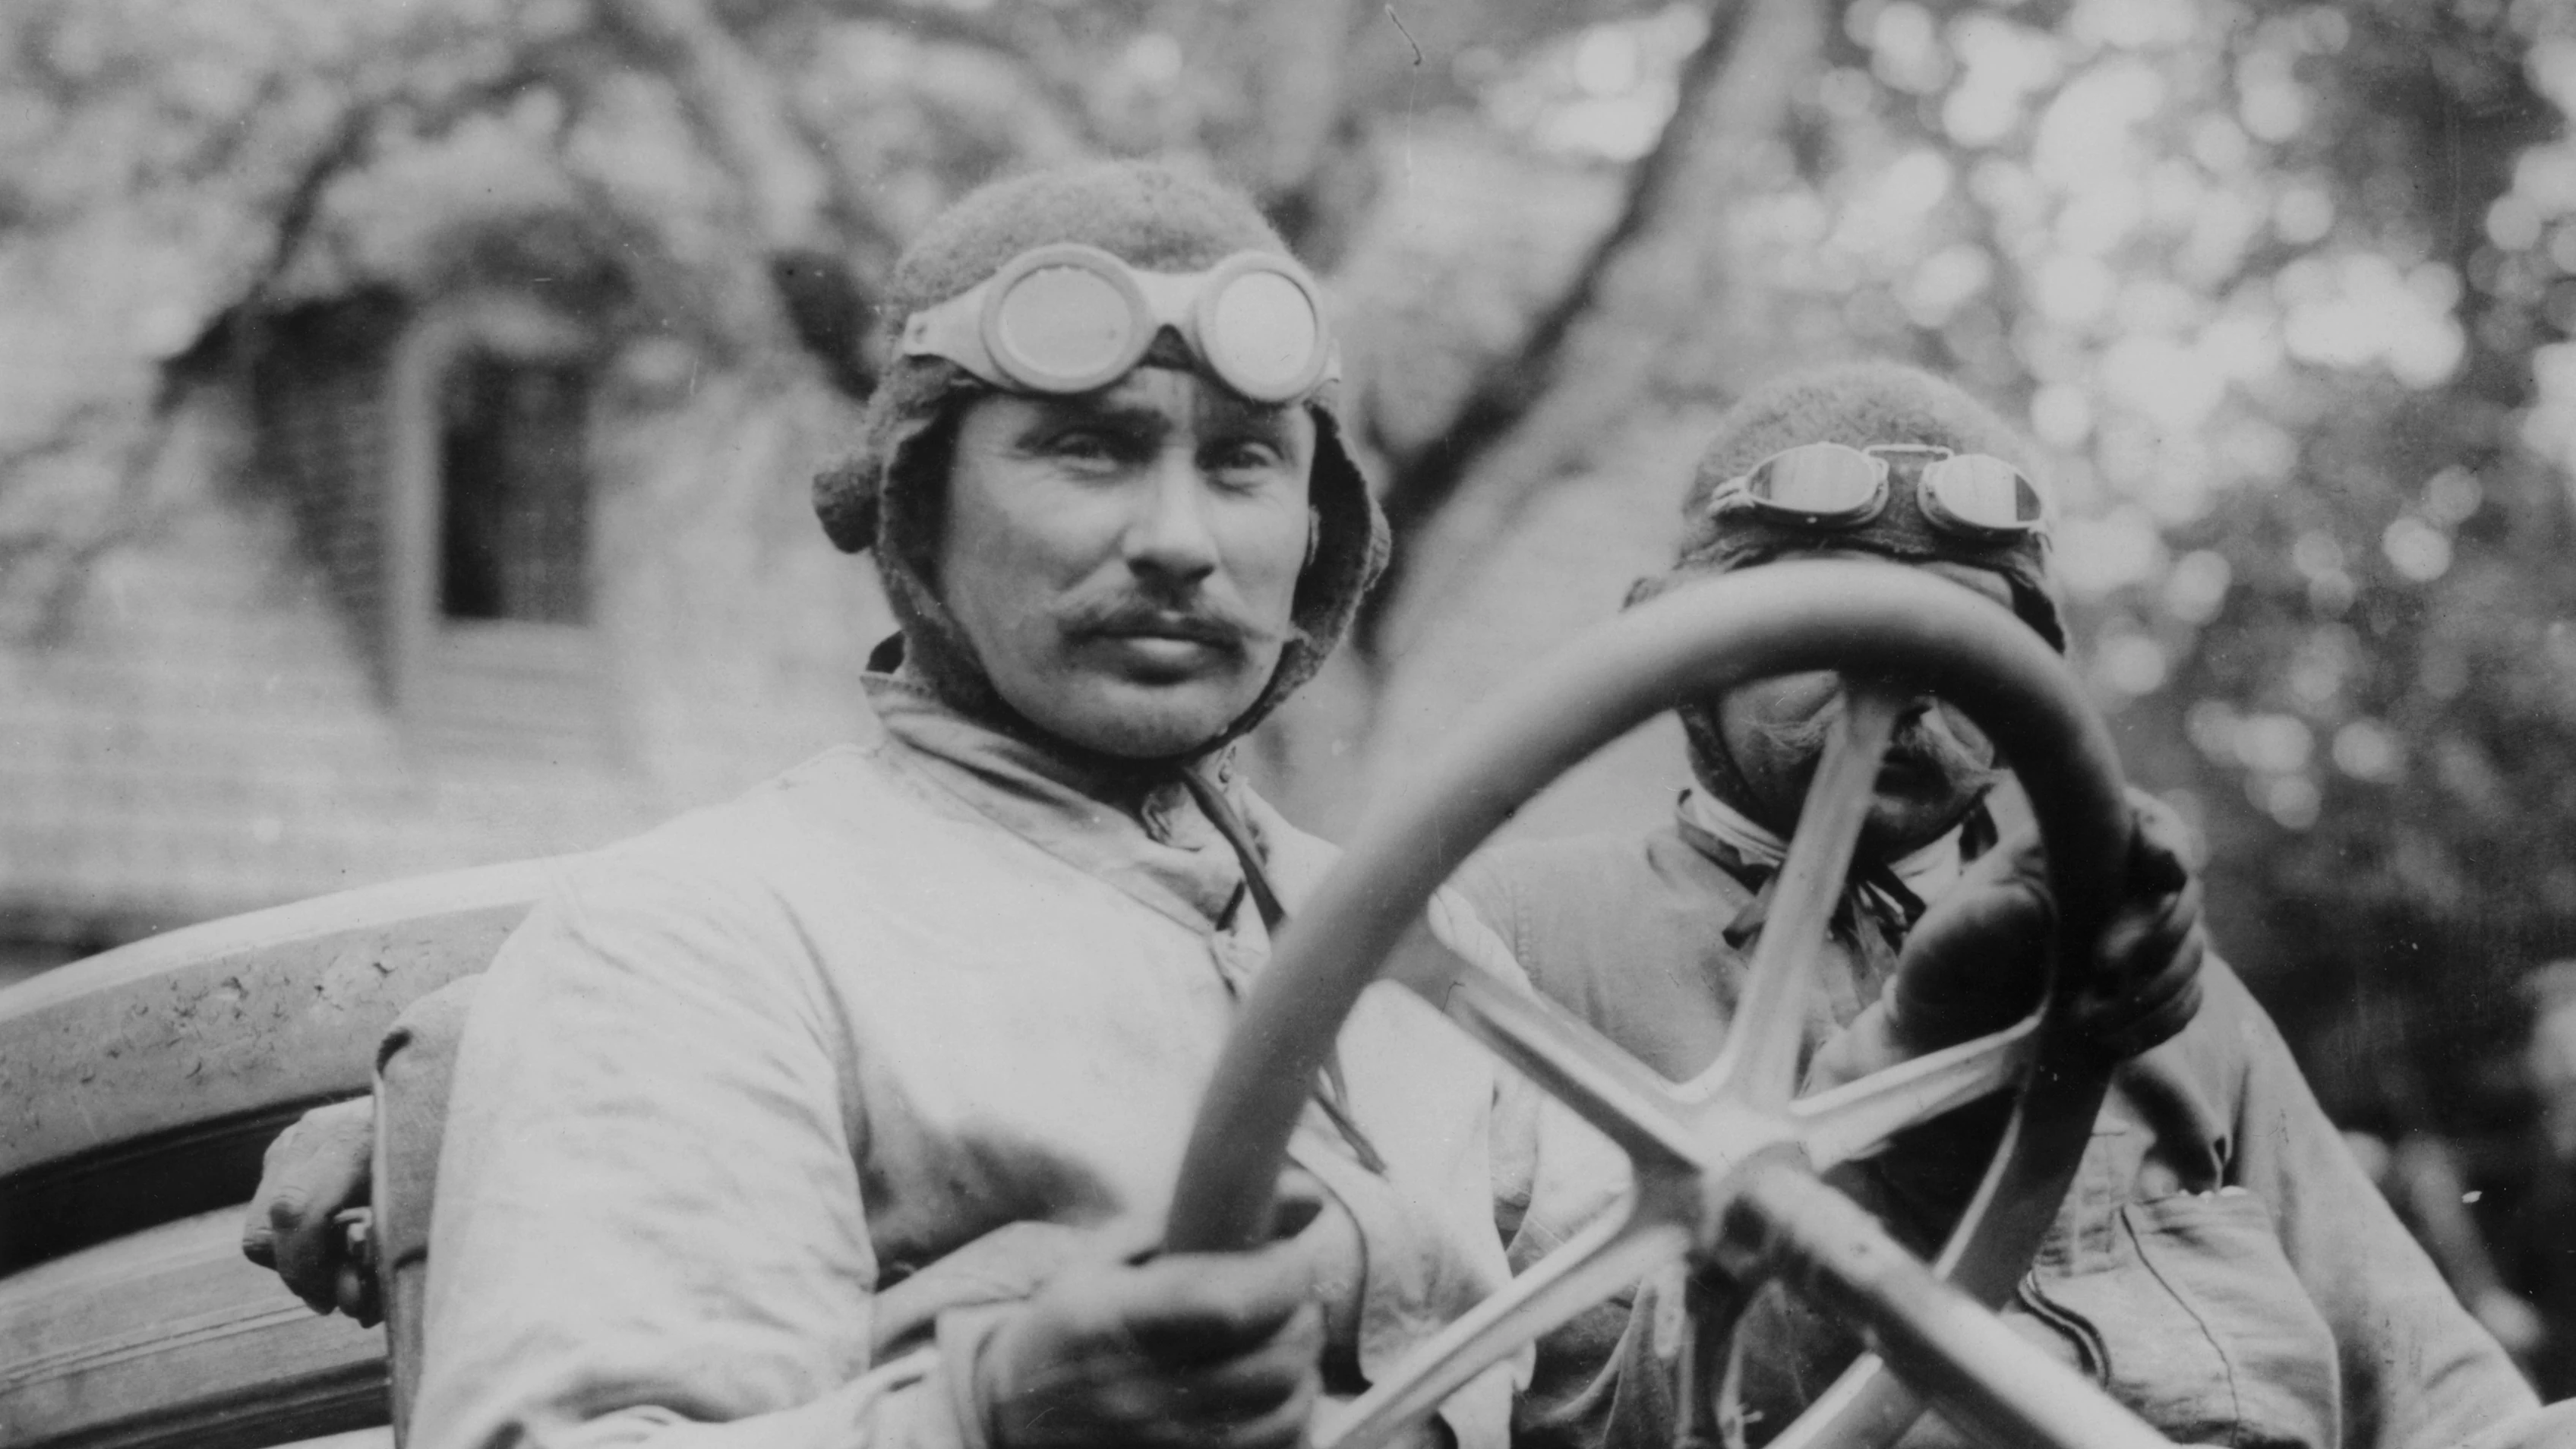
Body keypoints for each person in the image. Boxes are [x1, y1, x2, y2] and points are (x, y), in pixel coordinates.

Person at [239, 169, 2207, 1448]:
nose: (1180, 539)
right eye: (1090, 454)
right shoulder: (710, 935)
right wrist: (994, 1411)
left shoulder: (1424, 963)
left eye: (1247, 465)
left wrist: (1940, 1053)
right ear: (918, 510)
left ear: (1319, 535)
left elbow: (1665, 1419)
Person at [1453, 361, 2540, 1449]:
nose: (1906, 683)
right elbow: (1586, 1419)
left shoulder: (2172, 994)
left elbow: (2443, 1397)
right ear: (1677, 652)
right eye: (1829, 617)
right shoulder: (1510, 947)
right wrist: (1932, 1044)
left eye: (1963, 641)